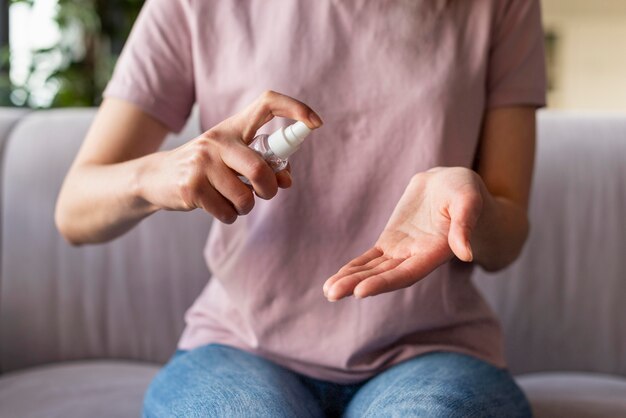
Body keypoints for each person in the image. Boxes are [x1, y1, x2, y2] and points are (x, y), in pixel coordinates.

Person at [55, 0, 546, 416]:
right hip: (239, 346)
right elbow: (75, 211)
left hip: (435, 351)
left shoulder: (498, 7)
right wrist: (161, 174)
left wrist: (471, 204)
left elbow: (506, 242)